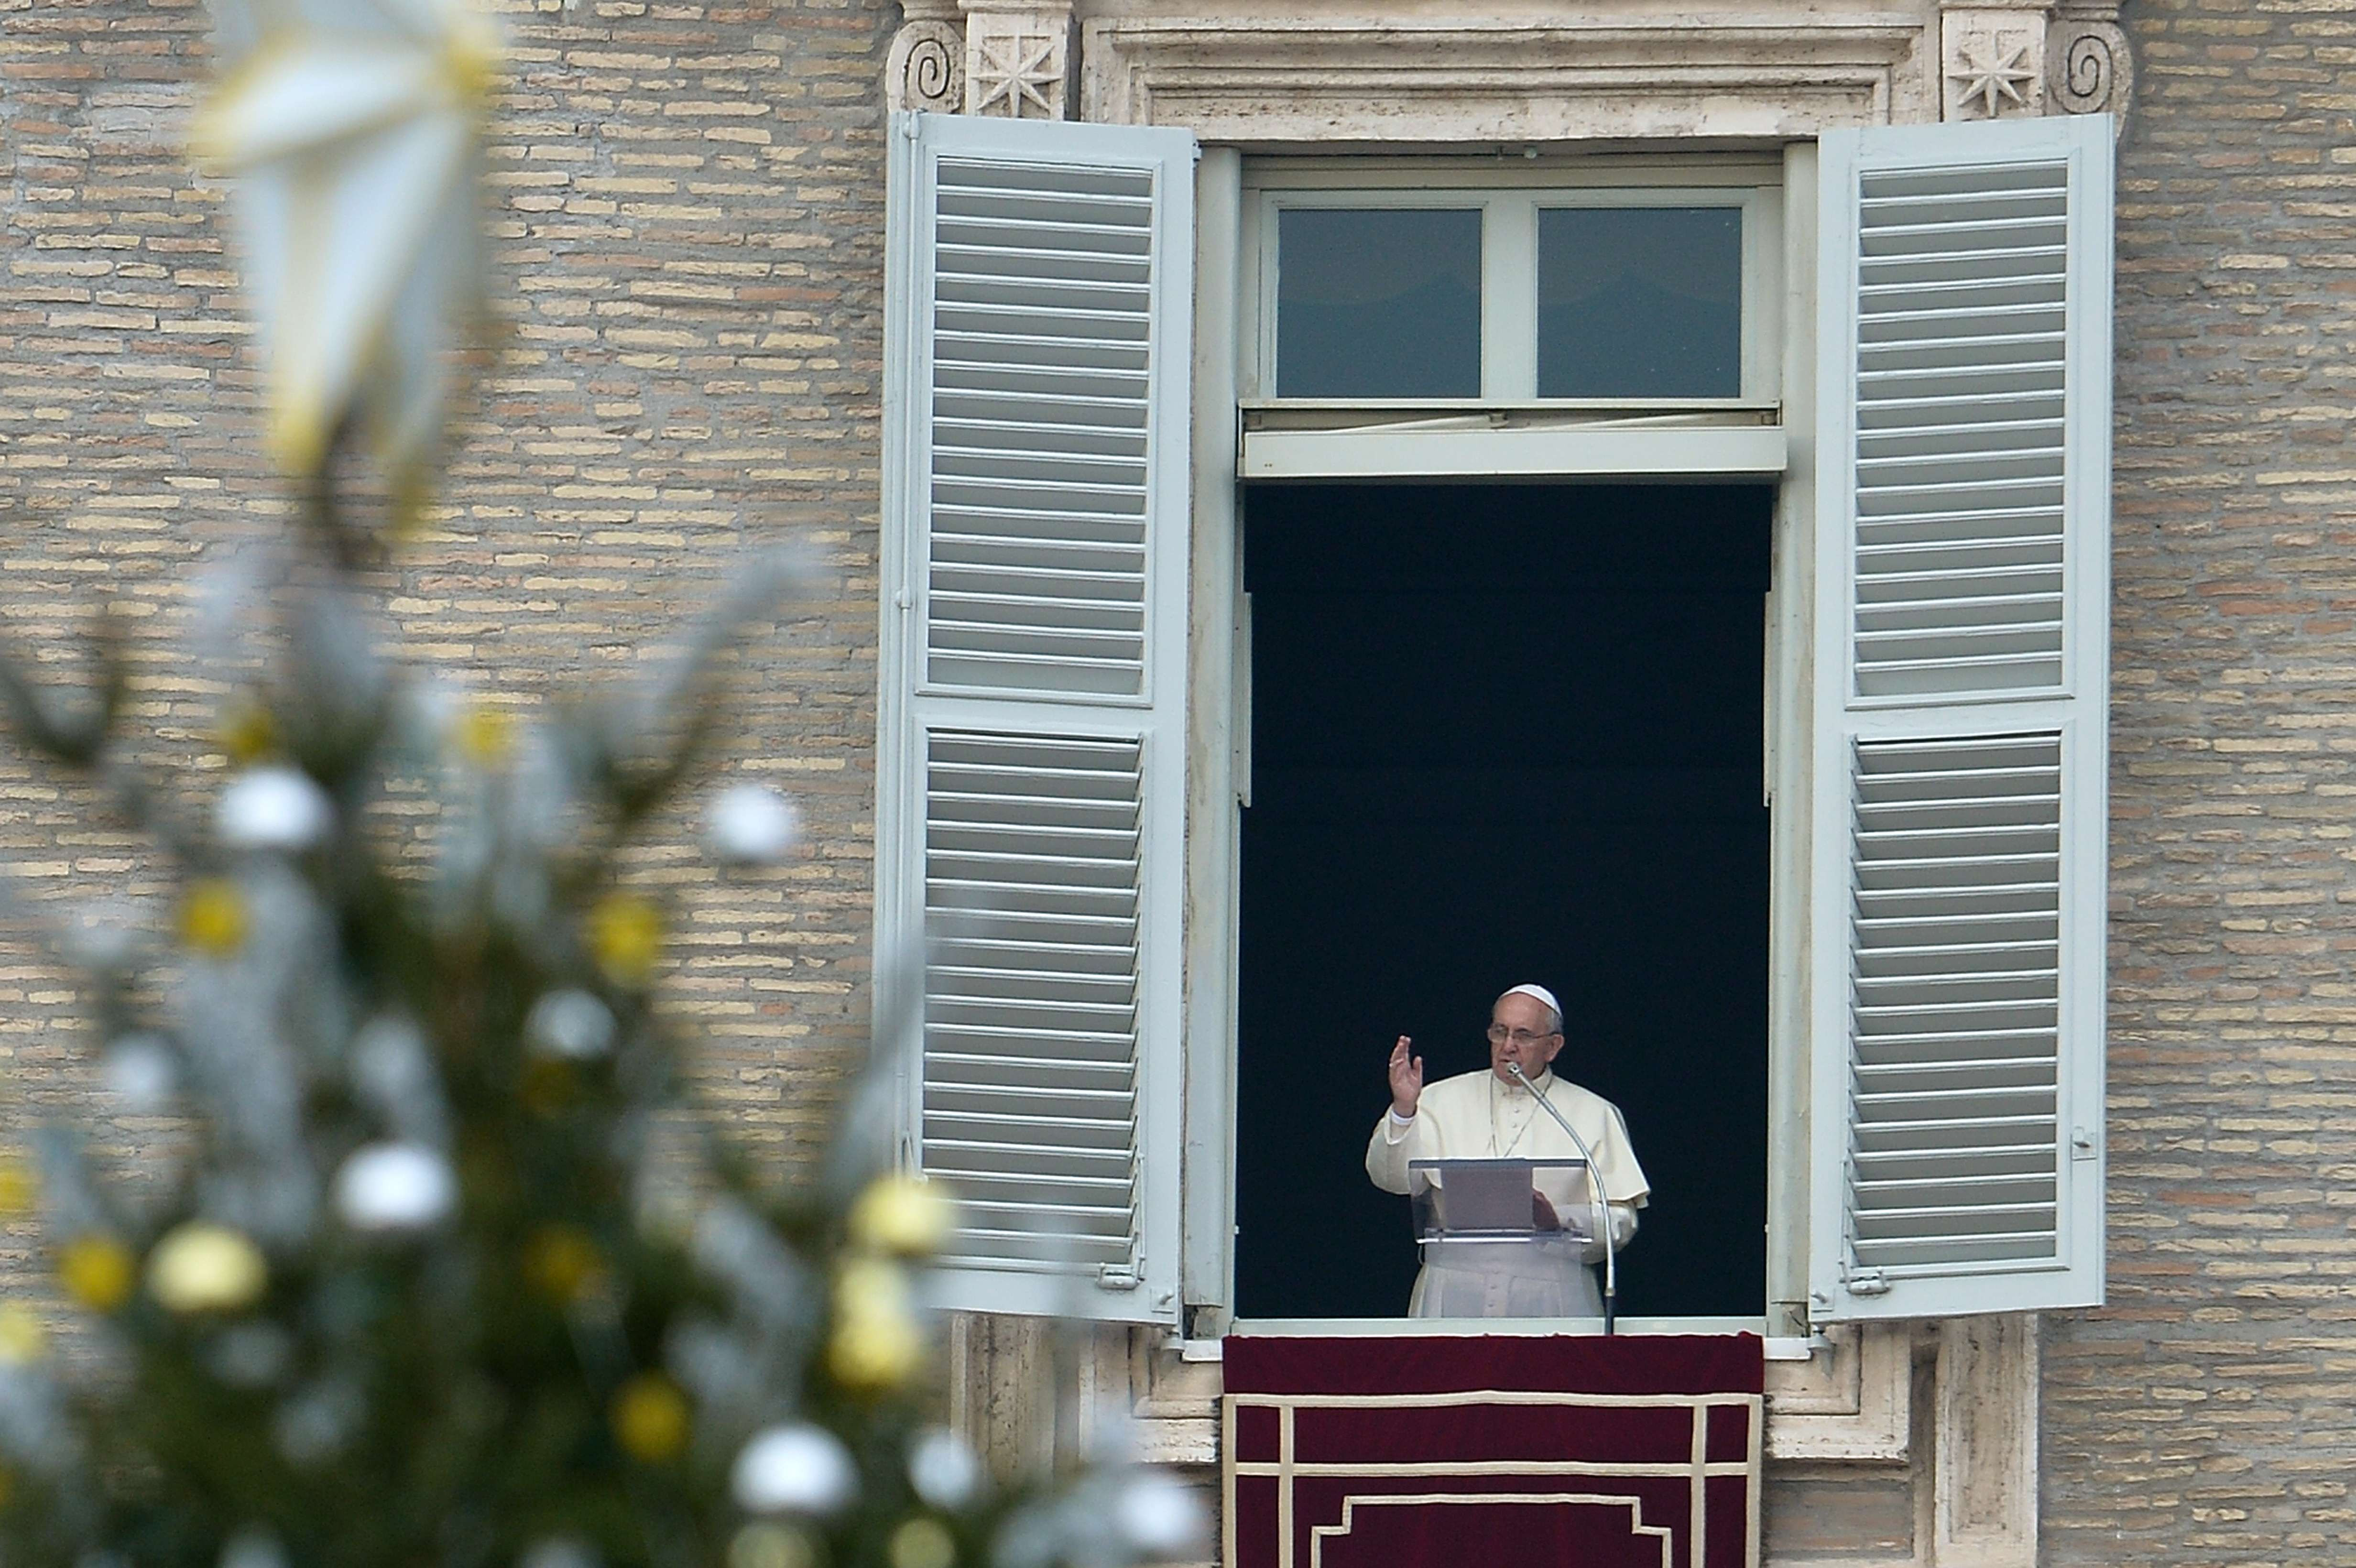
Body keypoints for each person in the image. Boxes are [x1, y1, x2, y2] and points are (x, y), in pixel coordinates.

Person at [1366, 983, 1649, 1318]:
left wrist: (1557, 1222)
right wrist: (1403, 1110)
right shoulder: (1437, 1099)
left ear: (1553, 1047)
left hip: (1554, 1297)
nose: (1508, 1046)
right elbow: (1390, 1179)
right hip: (1452, 1294)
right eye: (1499, 1032)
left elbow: (1621, 1219)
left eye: (1524, 1035)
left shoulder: (1593, 1113)